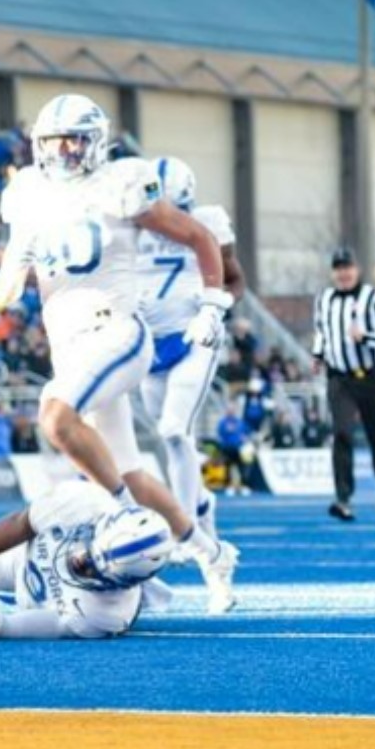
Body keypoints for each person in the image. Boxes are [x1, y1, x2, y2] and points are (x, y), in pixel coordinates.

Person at [0, 94, 236, 613]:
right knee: (124, 471)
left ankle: (130, 523)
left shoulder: (119, 182)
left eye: (75, 139)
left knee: (56, 420)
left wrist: (213, 305)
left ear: (97, 142)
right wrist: (13, 274)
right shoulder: (27, 194)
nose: (64, 150)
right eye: (55, 140)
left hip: (117, 333)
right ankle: (208, 550)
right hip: (71, 345)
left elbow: (199, 236)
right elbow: (4, 289)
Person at [136, 157, 245, 548]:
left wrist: (216, 310)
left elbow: (234, 280)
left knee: (174, 431)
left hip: (194, 337)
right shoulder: (130, 224)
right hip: (149, 344)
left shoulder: (208, 220)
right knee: (170, 441)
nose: (167, 219)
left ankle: (184, 533)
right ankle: (201, 509)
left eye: (175, 209)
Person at [0, 480, 173, 640]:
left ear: (120, 585)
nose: (81, 563)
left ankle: (149, 595)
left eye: (95, 569)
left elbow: (6, 627)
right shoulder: (81, 503)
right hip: (25, 556)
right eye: (89, 550)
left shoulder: (104, 616)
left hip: (39, 597)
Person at [311, 246, 375, 521]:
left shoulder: (372, 298)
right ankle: (343, 498)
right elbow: (321, 330)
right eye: (338, 269)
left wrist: (366, 337)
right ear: (332, 273)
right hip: (339, 377)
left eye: (347, 268)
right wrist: (318, 354)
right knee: (342, 433)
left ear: (356, 270)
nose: (343, 274)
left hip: (370, 376)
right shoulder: (324, 299)